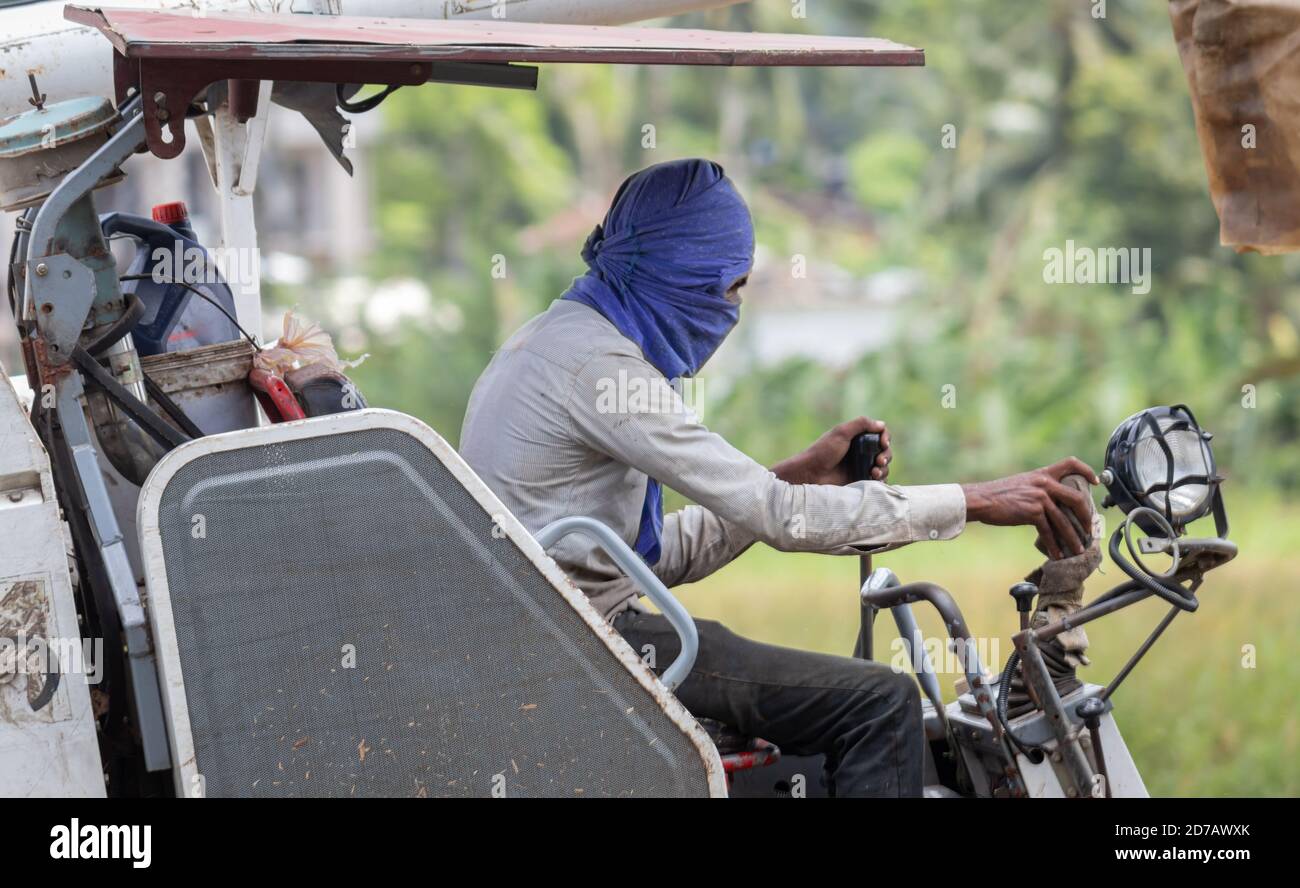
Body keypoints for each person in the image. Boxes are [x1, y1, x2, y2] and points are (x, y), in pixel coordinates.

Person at [459, 158, 1096, 797]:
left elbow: (646, 557)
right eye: (729, 288)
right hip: (586, 646)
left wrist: (799, 475)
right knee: (879, 702)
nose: (731, 310)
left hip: (554, 633)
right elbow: (780, 518)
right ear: (683, 277)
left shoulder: (552, 339)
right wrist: (980, 500)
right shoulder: (599, 369)